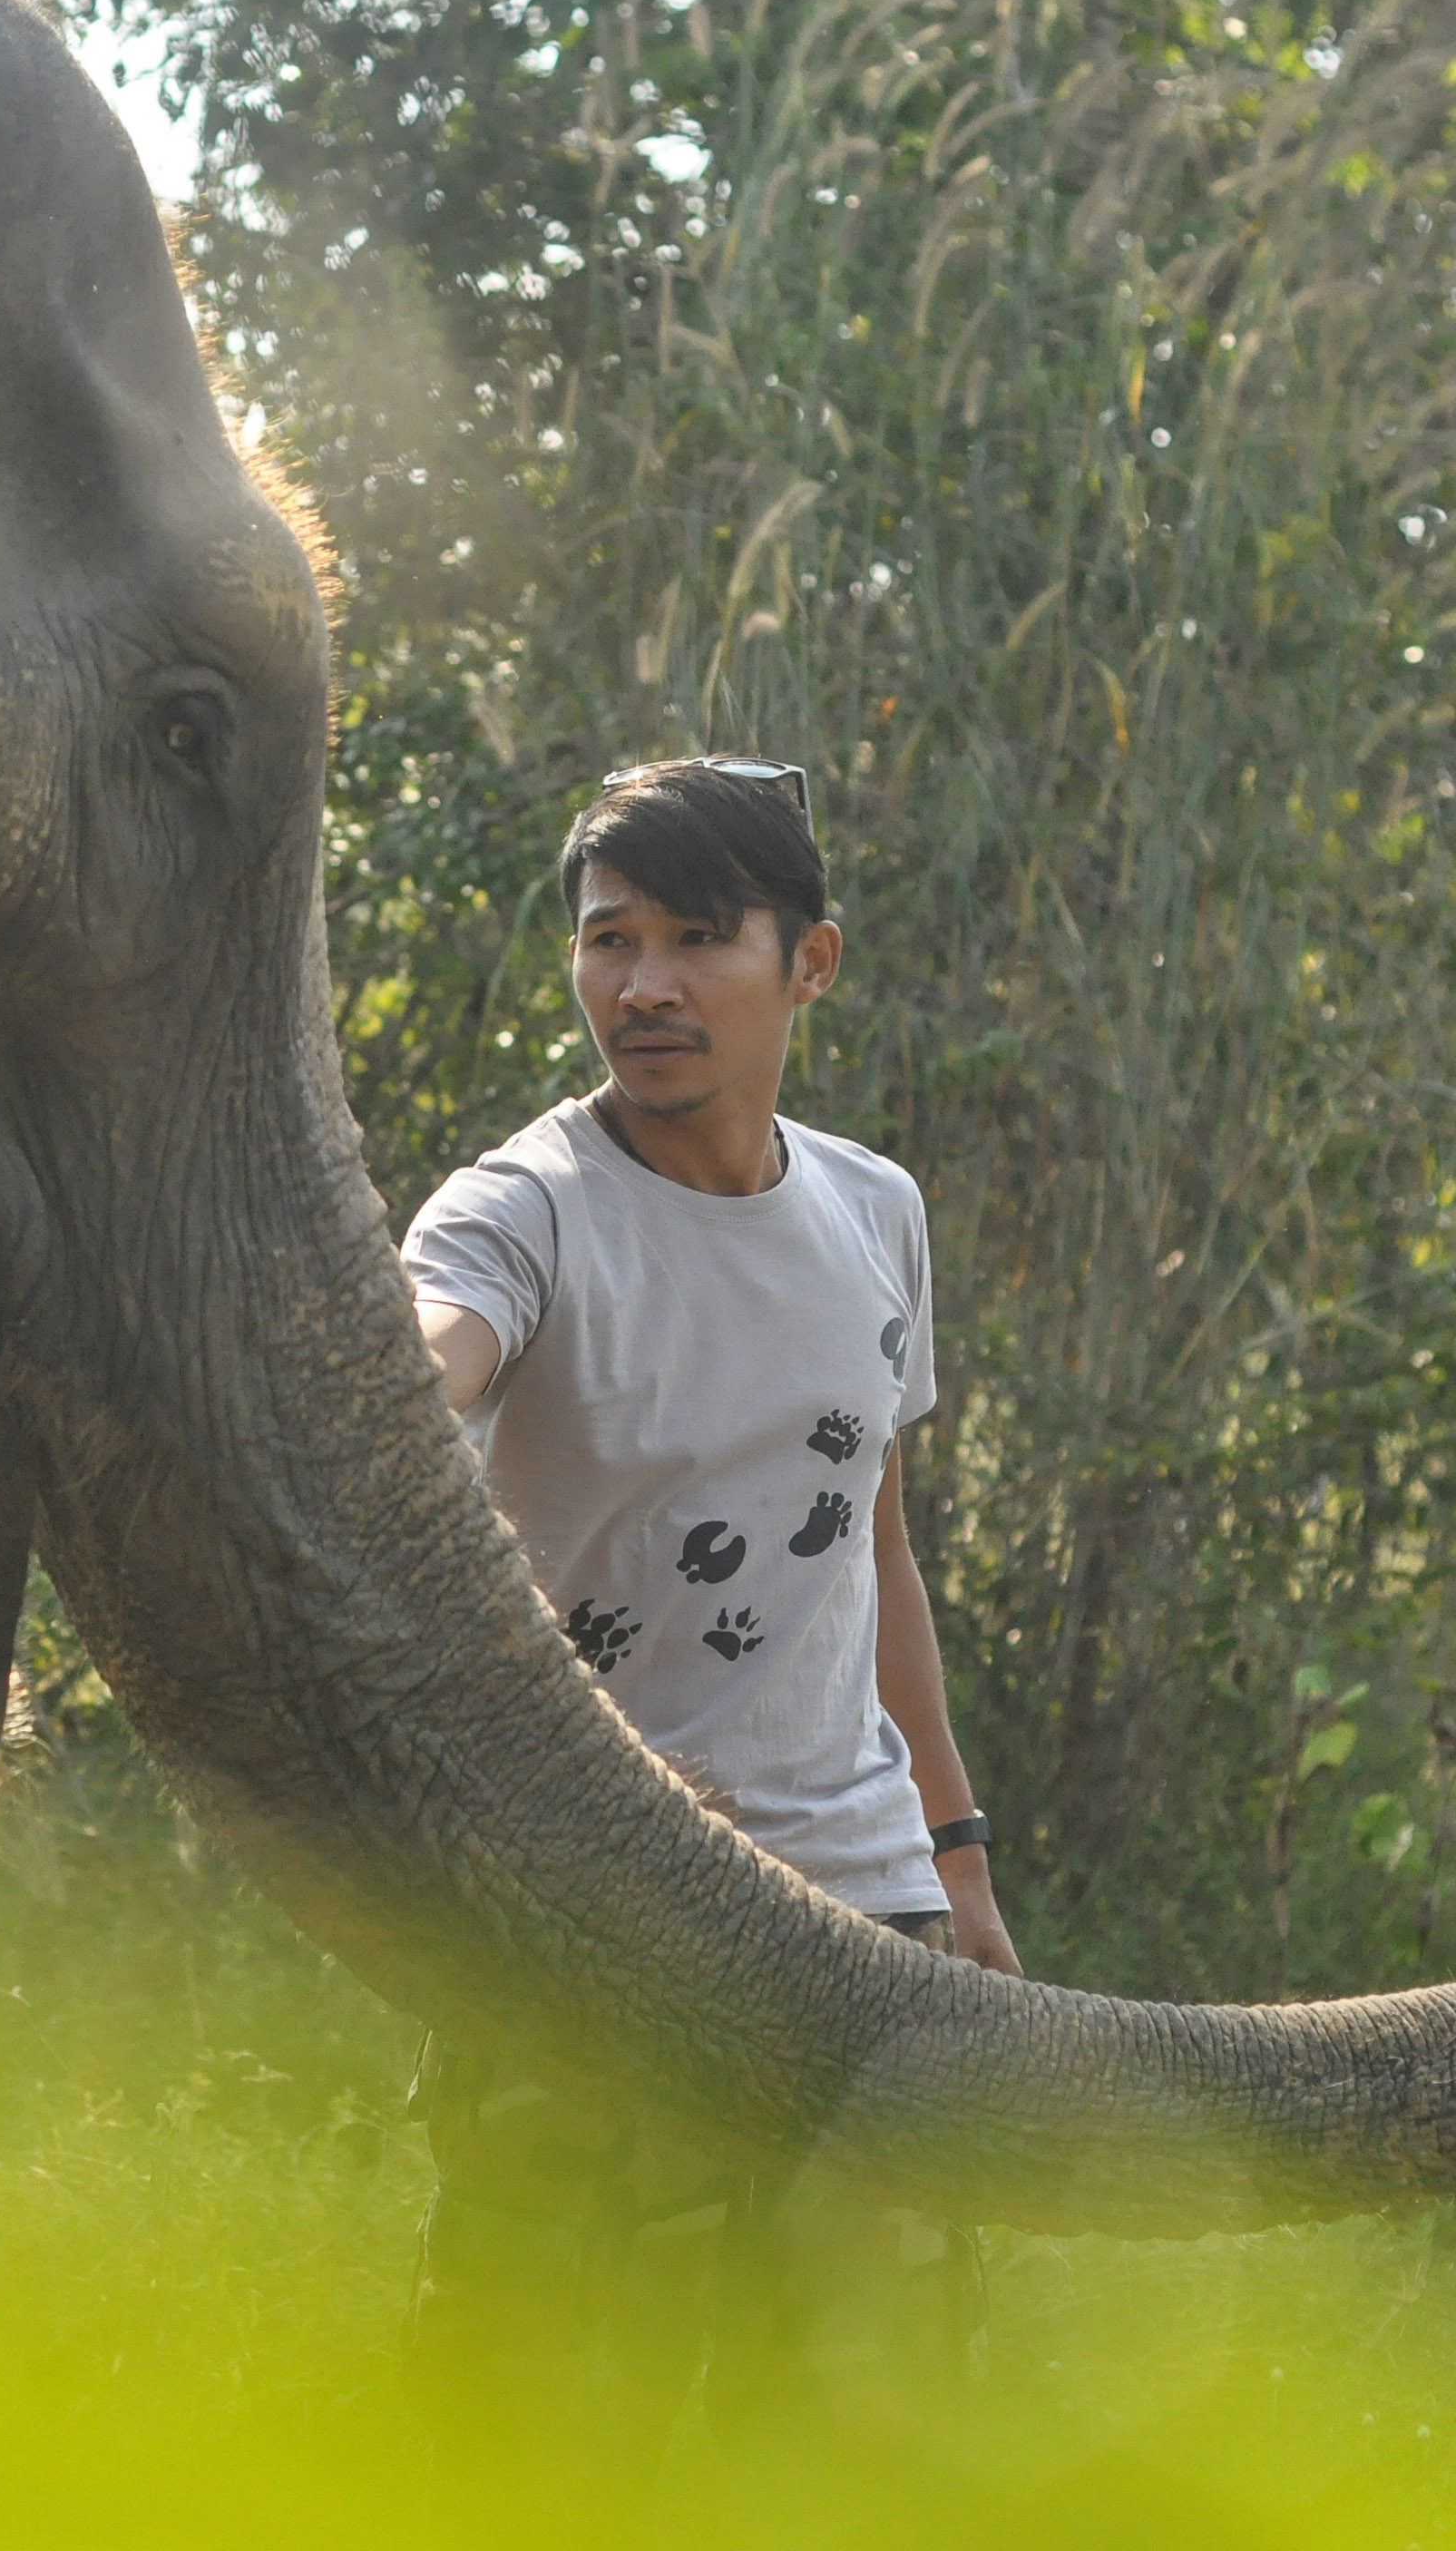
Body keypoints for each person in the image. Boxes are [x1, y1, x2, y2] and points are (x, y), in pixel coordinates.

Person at [396, 754, 1011, 2460]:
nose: (643, 986)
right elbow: (418, 1365)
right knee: (535, 2447)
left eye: (694, 938)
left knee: (860, 2451)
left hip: (863, 1925)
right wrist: (388, 1374)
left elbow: (875, 1550)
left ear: (810, 963)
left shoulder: (875, 1210)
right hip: (588, 1922)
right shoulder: (522, 1209)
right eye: (609, 940)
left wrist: (955, 1861)